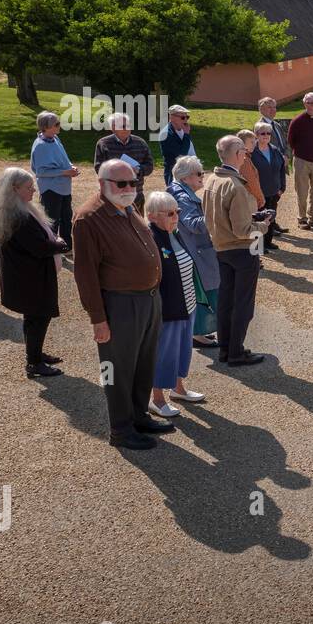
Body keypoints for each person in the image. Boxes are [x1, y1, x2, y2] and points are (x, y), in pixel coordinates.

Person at [71, 158, 170, 451]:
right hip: (120, 305)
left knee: (143, 363)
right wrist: (98, 319)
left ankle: (139, 416)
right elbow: (85, 274)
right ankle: (121, 430)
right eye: (122, 183)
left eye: (134, 182)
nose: (130, 188)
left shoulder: (127, 206)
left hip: (148, 300)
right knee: (117, 369)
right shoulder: (89, 218)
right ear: (102, 184)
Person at [0, 167, 69, 378]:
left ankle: (35, 353)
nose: (34, 190)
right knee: (39, 317)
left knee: (33, 317)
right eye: (29, 187)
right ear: (14, 189)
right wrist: (61, 245)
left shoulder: (17, 209)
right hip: (30, 277)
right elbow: (39, 248)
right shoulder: (18, 217)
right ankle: (34, 363)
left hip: (28, 275)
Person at [203, 135, 271, 365]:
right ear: (238, 154)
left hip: (221, 247)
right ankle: (235, 351)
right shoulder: (235, 186)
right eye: (243, 150)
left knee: (226, 301)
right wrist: (263, 225)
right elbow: (243, 230)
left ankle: (225, 349)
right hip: (243, 249)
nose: (245, 154)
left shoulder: (212, 180)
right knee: (243, 303)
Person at [144, 191, 205, 417]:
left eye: (177, 212)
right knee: (164, 354)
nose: (175, 216)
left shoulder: (173, 233)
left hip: (187, 305)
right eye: (169, 213)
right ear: (152, 216)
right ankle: (157, 399)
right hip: (168, 310)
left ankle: (179, 388)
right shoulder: (151, 238)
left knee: (182, 350)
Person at [167, 156, 220, 348]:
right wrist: (217, 213)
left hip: (194, 251)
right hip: (195, 253)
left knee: (199, 291)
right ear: (185, 177)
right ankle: (197, 333)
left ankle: (199, 331)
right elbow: (194, 225)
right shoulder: (182, 196)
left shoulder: (180, 192)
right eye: (198, 173)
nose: (202, 176)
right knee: (202, 293)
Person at [30, 111, 79, 254]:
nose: (59, 126)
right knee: (52, 220)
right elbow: (40, 172)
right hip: (51, 189)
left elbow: (64, 158)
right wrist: (65, 172)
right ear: (46, 127)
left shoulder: (55, 138)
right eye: (56, 124)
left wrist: (71, 167)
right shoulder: (40, 146)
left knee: (66, 218)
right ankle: (51, 247)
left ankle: (65, 247)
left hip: (64, 186)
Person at [93, 112, 154, 213]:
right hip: (113, 196)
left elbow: (149, 166)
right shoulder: (103, 144)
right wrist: (120, 174)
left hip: (136, 194)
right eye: (123, 126)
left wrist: (138, 170)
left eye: (129, 125)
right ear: (113, 128)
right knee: (115, 227)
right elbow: (99, 168)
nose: (127, 128)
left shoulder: (140, 142)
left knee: (137, 227)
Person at [287, 92, 313, 229]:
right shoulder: (297, 121)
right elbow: (291, 141)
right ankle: (302, 219)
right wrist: (301, 152)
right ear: (304, 104)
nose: (311, 105)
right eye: (308, 102)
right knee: (302, 192)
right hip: (301, 160)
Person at [257, 96, 291, 237]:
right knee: (268, 200)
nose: (273, 110)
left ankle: (273, 224)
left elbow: (286, 143)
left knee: (276, 197)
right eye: (269, 107)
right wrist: (280, 158)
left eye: (274, 107)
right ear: (261, 109)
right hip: (269, 168)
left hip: (279, 166)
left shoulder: (276, 125)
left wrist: (287, 156)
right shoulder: (259, 126)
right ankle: (267, 231)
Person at [250, 122, 286, 248]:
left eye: (268, 133)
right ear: (256, 135)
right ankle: (257, 247)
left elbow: (282, 169)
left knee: (271, 217)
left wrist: (282, 188)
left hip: (273, 192)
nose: (266, 136)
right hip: (257, 193)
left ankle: (267, 243)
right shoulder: (251, 152)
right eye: (262, 133)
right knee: (257, 220)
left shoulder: (274, 150)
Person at [158, 105, 196, 186]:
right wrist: (186, 135)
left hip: (188, 171)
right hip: (175, 174)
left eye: (187, 117)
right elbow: (181, 154)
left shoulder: (183, 128)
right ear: (172, 117)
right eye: (183, 117)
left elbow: (190, 149)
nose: (185, 120)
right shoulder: (165, 134)